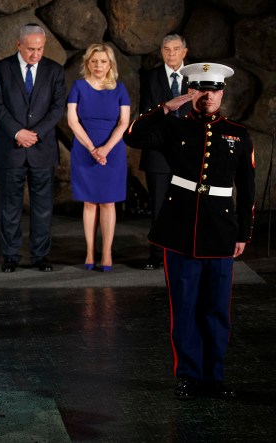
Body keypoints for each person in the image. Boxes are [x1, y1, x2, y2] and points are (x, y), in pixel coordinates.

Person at [123, 63, 255, 400]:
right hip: (179, 231)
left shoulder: (238, 134)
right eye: (200, 88)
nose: (208, 95)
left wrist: (243, 233)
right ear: (191, 91)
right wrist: (166, 107)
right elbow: (133, 136)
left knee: (216, 311)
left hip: (221, 232)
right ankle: (188, 376)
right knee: (184, 307)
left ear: (222, 93)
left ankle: (214, 377)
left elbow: (247, 187)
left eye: (214, 89)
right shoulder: (173, 127)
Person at [0, 24, 66, 273]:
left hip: (41, 148)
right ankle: (10, 256)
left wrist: (36, 134)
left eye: (40, 49)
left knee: (43, 207)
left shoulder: (54, 70)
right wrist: (17, 132)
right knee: (10, 207)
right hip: (11, 147)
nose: (36, 54)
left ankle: (40, 256)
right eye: (31, 49)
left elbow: (57, 107)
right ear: (18, 45)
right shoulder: (1, 69)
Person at [67, 43, 131, 271]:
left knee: (108, 202)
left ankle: (107, 254)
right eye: (94, 61)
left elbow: (124, 123)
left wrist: (104, 149)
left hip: (112, 152)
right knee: (89, 202)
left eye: (103, 61)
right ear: (87, 63)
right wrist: (92, 148)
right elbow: (72, 121)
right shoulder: (78, 86)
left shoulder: (120, 89)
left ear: (110, 64)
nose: (98, 65)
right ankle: (90, 252)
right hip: (84, 149)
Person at [138, 34, 192, 270]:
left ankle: (186, 251)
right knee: (159, 206)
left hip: (189, 152)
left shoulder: (196, 77)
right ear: (161, 51)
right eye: (166, 49)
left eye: (176, 49)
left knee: (188, 204)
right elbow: (146, 116)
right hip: (158, 152)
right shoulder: (150, 78)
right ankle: (158, 255)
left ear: (184, 52)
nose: (171, 53)